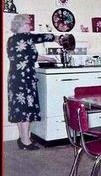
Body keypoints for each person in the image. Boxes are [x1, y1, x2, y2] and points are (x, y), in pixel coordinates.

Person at [7, 14, 61, 150]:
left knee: (19, 108)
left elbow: (26, 56)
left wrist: (47, 56)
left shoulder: (11, 40)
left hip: (14, 78)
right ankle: (26, 141)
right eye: (28, 24)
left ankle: (22, 138)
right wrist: (56, 40)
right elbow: (37, 46)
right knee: (26, 108)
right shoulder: (26, 37)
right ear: (21, 25)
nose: (30, 26)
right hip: (25, 78)